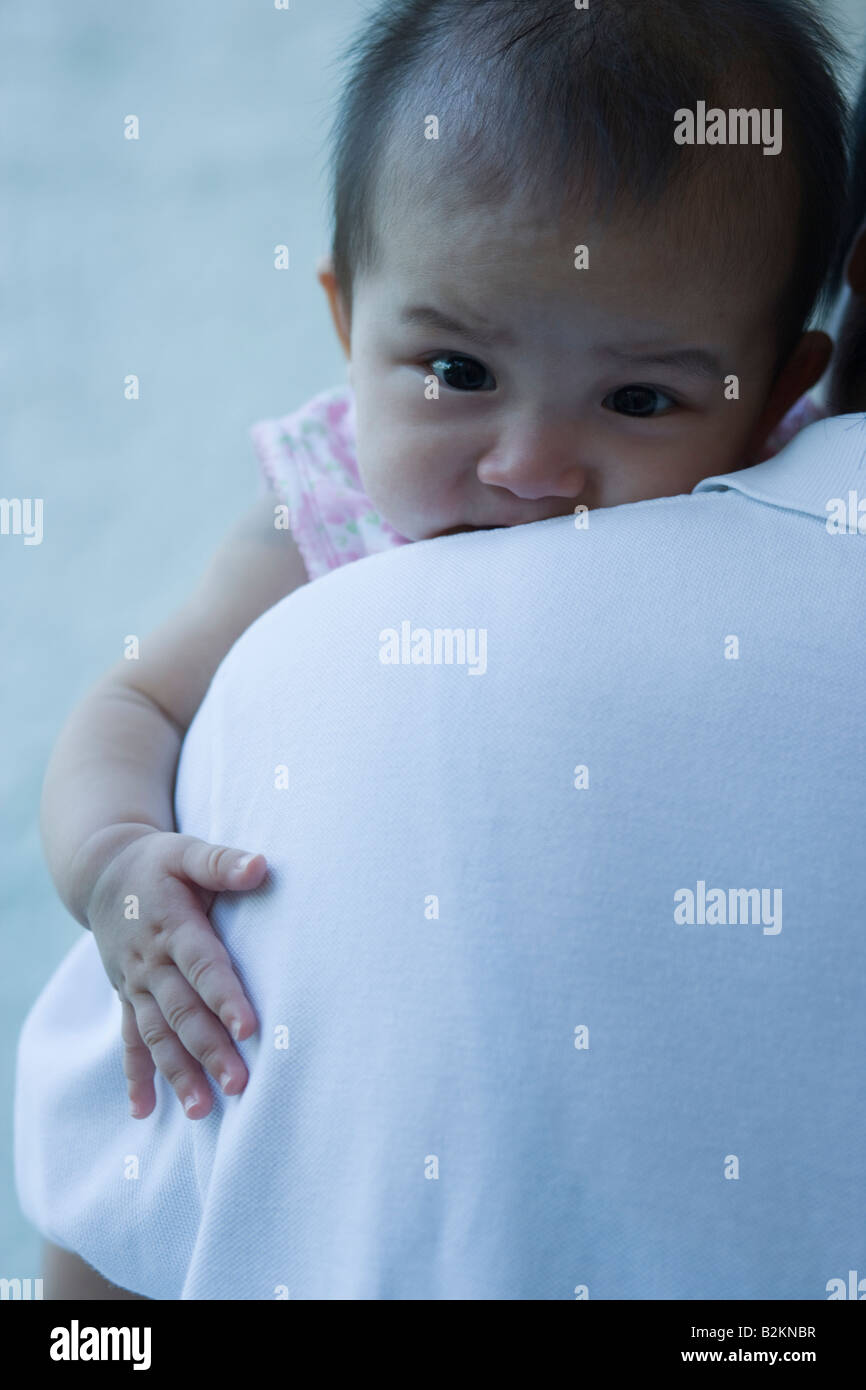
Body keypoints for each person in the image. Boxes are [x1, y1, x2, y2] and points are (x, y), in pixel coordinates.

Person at [36, 0, 844, 1136]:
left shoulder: (791, 480)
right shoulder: (319, 499)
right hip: (330, 1070)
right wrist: (116, 857)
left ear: (770, 393)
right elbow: (134, 700)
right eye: (456, 368)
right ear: (346, 318)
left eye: (637, 399)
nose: (527, 466)